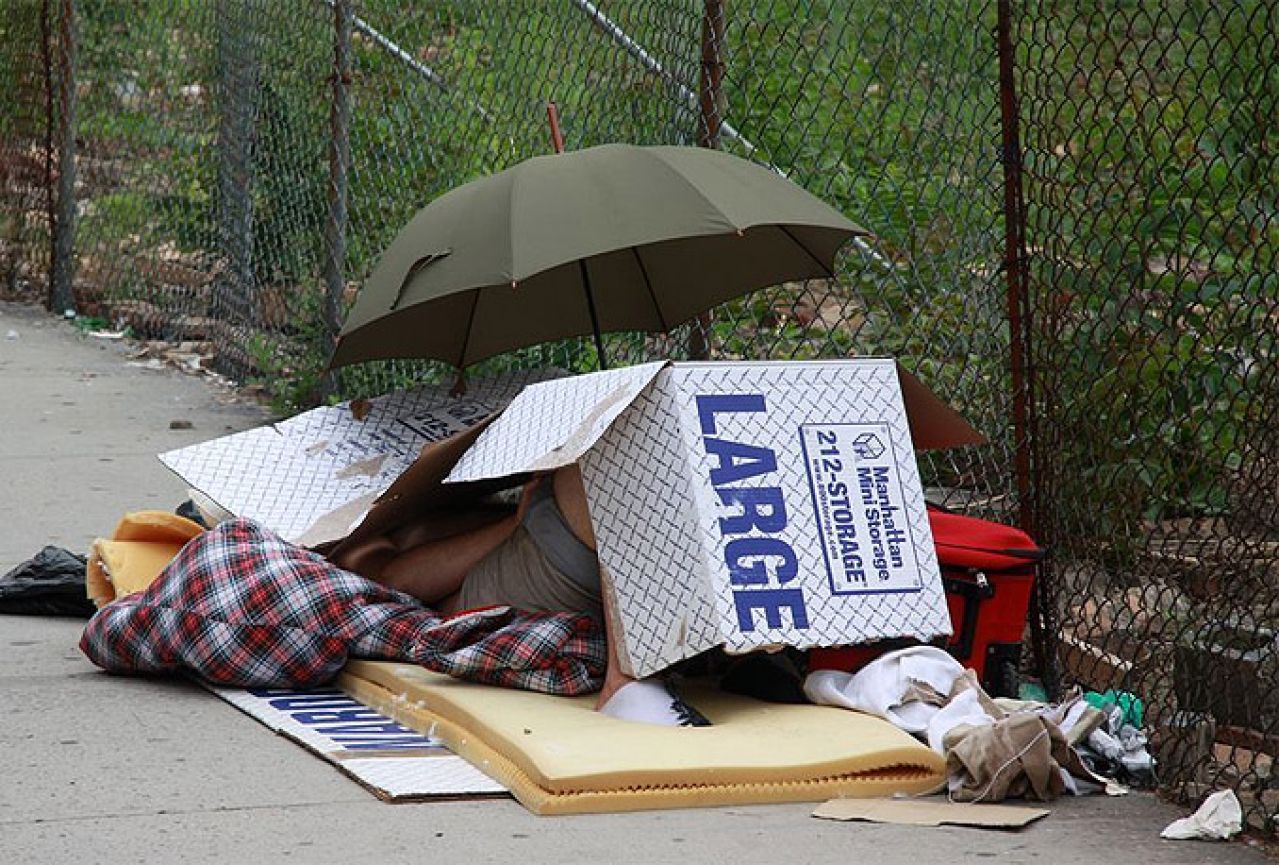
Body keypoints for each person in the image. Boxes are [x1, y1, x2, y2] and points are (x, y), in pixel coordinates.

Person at [332, 465, 707, 726]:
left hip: (559, 540)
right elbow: (395, 579)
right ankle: (621, 683)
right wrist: (515, 521)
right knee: (610, 462)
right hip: (545, 557)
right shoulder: (359, 542)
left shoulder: (448, 502)